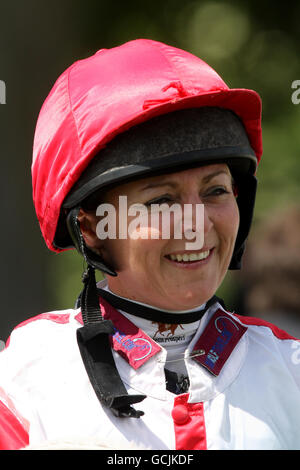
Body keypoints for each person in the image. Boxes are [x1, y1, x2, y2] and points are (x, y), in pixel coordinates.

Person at [0, 39, 299, 451]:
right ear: (89, 230)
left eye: (215, 190)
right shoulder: (23, 380)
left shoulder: (291, 369)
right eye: (161, 201)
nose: (197, 224)